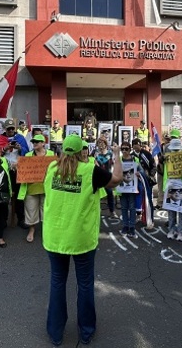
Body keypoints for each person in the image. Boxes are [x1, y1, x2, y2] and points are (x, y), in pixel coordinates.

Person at [42, 134, 122, 346]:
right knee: (85, 284)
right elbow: (116, 180)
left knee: (57, 282)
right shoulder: (90, 171)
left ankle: (55, 333)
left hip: (55, 236)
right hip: (80, 238)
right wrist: (117, 155)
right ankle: (86, 331)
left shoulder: (51, 169)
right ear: (81, 152)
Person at [17, 134, 54, 243]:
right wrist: (18, 166)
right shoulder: (28, 155)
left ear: (43, 143)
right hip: (31, 187)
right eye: (33, 142)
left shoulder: (51, 154)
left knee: (46, 210)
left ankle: (46, 230)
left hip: (46, 188)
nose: (35, 143)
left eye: (37, 142)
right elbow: (23, 169)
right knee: (30, 209)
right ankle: (31, 229)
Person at [164, 129, 182, 242]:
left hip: (181, 184)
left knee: (181, 210)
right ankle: (171, 230)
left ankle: (181, 231)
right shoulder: (167, 151)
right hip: (171, 184)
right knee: (171, 209)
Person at [94, 137, 117, 218]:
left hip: (108, 176)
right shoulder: (96, 154)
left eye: (102, 143)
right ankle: (97, 211)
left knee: (110, 194)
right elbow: (94, 164)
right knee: (97, 195)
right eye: (99, 143)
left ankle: (112, 211)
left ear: (105, 144)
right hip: (99, 176)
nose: (100, 145)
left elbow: (114, 163)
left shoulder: (110, 153)